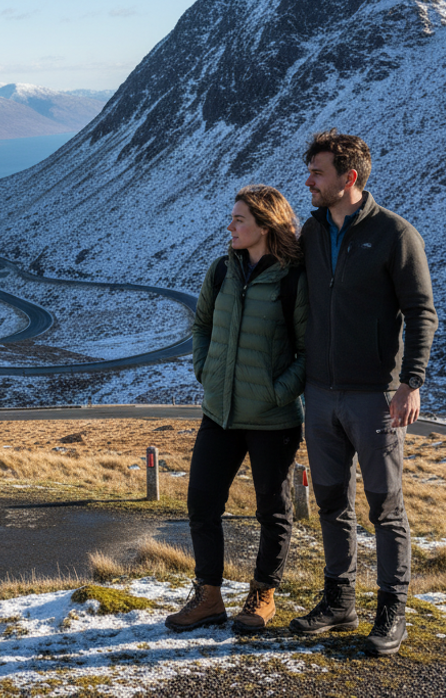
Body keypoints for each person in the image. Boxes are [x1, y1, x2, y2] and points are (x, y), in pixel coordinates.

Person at [289, 130, 437, 657]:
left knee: (385, 507)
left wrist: (410, 383)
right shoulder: (309, 231)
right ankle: (339, 601)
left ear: (348, 178)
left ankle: (391, 609)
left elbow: (422, 312)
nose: (308, 181)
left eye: (318, 173)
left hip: (374, 396)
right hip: (320, 395)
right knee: (331, 501)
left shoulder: (395, 234)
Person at [165, 185, 308, 634]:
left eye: (239, 220)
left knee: (273, 510)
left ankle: (263, 593)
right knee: (202, 504)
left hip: (273, 420)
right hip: (220, 413)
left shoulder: (291, 279)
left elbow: (309, 350)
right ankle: (208, 597)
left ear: (265, 225)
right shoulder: (221, 272)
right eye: (232, 218)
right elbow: (202, 325)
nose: (230, 227)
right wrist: (206, 369)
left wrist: (277, 392)